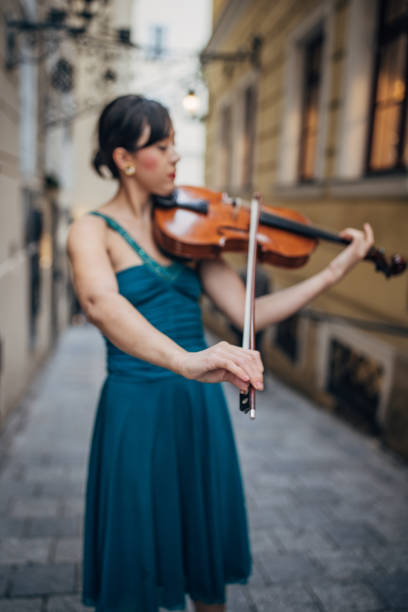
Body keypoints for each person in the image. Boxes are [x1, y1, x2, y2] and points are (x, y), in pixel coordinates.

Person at [67, 94, 374, 612]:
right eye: (160, 147)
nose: (174, 158)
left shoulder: (190, 229)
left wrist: (333, 272)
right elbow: (102, 304)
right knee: (138, 554)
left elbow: (249, 310)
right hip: (135, 409)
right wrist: (187, 360)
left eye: (174, 145)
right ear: (123, 159)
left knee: (205, 567)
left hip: (199, 409)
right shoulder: (90, 230)